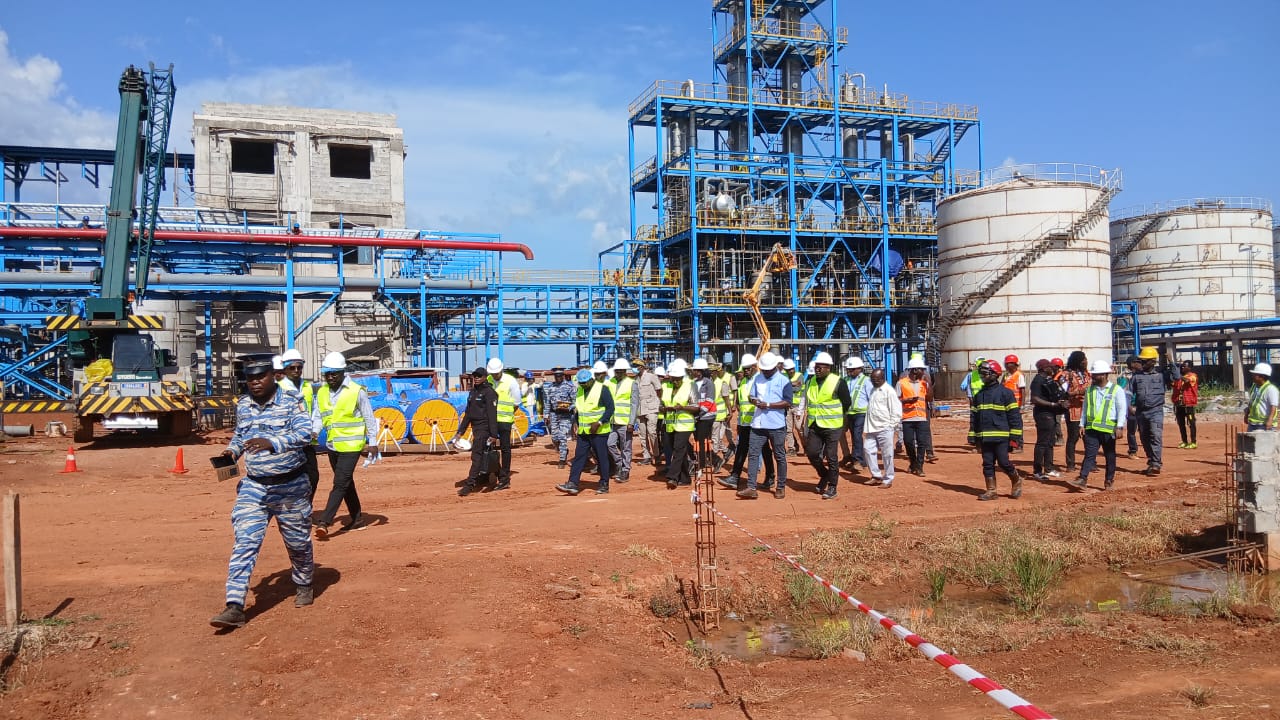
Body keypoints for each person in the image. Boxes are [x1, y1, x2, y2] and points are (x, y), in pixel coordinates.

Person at [210, 357, 316, 629]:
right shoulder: (244, 405)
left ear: (273, 376)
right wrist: (232, 452)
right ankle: (234, 606)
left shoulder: (292, 401)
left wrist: (273, 442)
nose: (255, 382)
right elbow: (241, 435)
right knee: (245, 541)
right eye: (250, 378)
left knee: (298, 544)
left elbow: (307, 433)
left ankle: (304, 583)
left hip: (289, 487)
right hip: (254, 487)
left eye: (260, 377)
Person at [311, 352, 377, 539]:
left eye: (334, 373)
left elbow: (369, 418)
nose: (330, 377)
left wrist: (372, 442)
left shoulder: (357, 391)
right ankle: (357, 519)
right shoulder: (322, 392)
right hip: (333, 445)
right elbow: (318, 417)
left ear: (343, 372)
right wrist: (314, 433)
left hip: (352, 445)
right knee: (346, 483)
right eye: (327, 373)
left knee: (339, 483)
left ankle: (325, 522)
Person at [738, 352, 793, 499]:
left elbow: (788, 402)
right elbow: (751, 396)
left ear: (775, 367)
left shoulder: (783, 381)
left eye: (768, 369)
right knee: (754, 454)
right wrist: (754, 401)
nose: (766, 372)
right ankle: (751, 487)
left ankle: (780, 487)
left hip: (776, 424)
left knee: (779, 455)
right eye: (764, 370)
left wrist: (768, 405)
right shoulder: (758, 379)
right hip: (758, 424)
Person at [719, 354, 776, 491]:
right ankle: (735, 476)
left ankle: (769, 477)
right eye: (744, 369)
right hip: (744, 422)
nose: (745, 371)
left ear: (755, 367)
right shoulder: (743, 381)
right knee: (742, 449)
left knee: (764, 449)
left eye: (748, 368)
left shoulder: (761, 380)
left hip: (759, 422)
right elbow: (741, 402)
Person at [1069, 360, 1127, 491]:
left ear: (1105, 375)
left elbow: (1121, 409)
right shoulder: (1089, 391)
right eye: (1093, 374)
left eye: (1097, 374)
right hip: (1091, 429)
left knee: (1110, 455)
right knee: (1089, 454)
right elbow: (1085, 408)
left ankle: (1109, 480)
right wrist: (1082, 424)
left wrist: (1119, 426)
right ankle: (1082, 478)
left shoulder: (1116, 390)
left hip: (1108, 429)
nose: (1094, 377)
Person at [556, 369, 615, 495]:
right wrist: (576, 423)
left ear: (590, 380)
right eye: (580, 383)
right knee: (579, 456)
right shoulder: (580, 391)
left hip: (599, 431)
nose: (582, 385)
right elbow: (580, 410)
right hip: (584, 431)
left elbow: (610, 408)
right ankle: (572, 483)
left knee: (601, 457)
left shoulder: (602, 389)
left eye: (584, 383)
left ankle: (604, 484)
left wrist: (599, 423)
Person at [970, 360, 1024, 501]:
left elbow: (1014, 417)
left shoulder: (1005, 393)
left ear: (995, 374)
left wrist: (1015, 438)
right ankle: (991, 491)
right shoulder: (978, 395)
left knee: (1003, 462)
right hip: (985, 437)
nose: (982, 376)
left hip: (1002, 436)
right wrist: (973, 436)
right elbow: (974, 418)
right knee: (987, 463)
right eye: (981, 374)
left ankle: (1016, 480)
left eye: (985, 373)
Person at [802, 352, 849, 499]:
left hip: (832, 426)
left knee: (831, 456)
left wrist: (840, 420)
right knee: (812, 453)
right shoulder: (810, 382)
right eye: (816, 366)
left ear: (828, 368)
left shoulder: (838, 382)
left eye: (820, 367)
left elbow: (846, 402)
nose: (817, 369)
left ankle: (832, 487)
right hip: (815, 424)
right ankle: (825, 475)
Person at [278, 348, 321, 501]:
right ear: (285, 368)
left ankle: (305, 508)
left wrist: (315, 429)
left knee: (313, 477)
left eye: (299, 367)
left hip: (307, 442)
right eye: (292, 367)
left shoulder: (308, 387)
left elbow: (315, 410)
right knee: (289, 479)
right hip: (289, 443)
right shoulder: (278, 388)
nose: (296, 370)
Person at [1130, 347, 1179, 476]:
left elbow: (1177, 378)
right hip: (1141, 412)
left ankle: (1156, 464)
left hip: (1156, 411)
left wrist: (1171, 363)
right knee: (1144, 438)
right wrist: (1130, 406)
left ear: (1152, 362)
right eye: (1141, 361)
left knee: (1155, 437)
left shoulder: (1162, 375)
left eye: (1144, 361)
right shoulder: (1136, 377)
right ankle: (1152, 462)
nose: (1142, 363)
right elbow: (1129, 393)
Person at [454, 367, 501, 496]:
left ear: (485, 377)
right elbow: (468, 414)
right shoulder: (473, 392)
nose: (476, 378)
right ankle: (498, 475)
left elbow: (492, 414)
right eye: (475, 376)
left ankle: (470, 484)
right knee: (486, 454)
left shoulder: (489, 393)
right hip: (475, 427)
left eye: (479, 376)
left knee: (477, 456)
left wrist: (493, 434)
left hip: (484, 427)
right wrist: (460, 432)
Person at [661, 360, 699, 489]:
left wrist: (682, 407)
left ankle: (673, 477)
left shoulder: (691, 386)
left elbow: (696, 407)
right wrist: (663, 409)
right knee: (677, 450)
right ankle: (685, 478)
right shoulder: (667, 386)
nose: (675, 381)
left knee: (678, 448)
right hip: (670, 423)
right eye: (673, 379)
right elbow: (661, 403)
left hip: (685, 424)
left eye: (678, 379)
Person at [862, 369, 902, 488]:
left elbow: (896, 410)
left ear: (882, 378)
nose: (873, 382)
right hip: (871, 427)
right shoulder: (873, 390)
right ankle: (876, 475)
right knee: (868, 450)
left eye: (876, 380)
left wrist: (891, 425)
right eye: (872, 380)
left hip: (885, 427)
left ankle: (888, 478)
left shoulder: (889, 391)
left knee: (887, 454)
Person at [1029, 359, 1067, 480]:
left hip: (1050, 413)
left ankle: (1049, 468)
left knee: (1050, 442)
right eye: (1050, 367)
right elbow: (1034, 399)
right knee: (1042, 442)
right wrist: (1052, 404)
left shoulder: (1048, 380)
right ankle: (1037, 471)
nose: (1052, 368)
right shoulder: (1037, 380)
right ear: (1044, 368)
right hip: (1043, 414)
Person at [488, 358, 522, 488]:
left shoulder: (510, 381)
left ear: (501, 370)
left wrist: (507, 414)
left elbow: (516, 403)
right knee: (489, 446)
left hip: (505, 421)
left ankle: (504, 477)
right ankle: (493, 471)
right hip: (491, 421)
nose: (494, 375)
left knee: (505, 449)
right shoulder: (489, 381)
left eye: (496, 373)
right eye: (492, 373)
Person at [897, 357, 933, 476]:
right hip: (908, 417)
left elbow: (930, 398)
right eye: (922, 370)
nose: (924, 372)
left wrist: (929, 384)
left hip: (922, 417)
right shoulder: (901, 383)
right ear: (915, 370)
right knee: (908, 442)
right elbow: (896, 400)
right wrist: (907, 400)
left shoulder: (924, 383)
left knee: (922, 442)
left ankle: (919, 466)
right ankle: (913, 463)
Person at [606, 359, 638, 483]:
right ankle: (619, 463)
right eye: (616, 371)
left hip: (625, 421)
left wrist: (631, 422)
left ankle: (625, 470)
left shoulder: (631, 383)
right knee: (609, 444)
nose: (618, 373)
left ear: (625, 371)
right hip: (612, 421)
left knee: (626, 447)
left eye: (620, 371)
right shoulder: (610, 382)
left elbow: (634, 404)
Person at [839, 357, 870, 470]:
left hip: (861, 412)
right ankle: (851, 457)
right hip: (848, 412)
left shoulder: (866, 380)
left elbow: (871, 397)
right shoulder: (845, 380)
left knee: (857, 435)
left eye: (852, 369)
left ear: (860, 369)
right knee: (845, 434)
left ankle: (858, 460)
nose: (849, 371)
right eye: (848, 369)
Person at [1061, 351, 1090, 472]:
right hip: (1074, 410)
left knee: (1089, 438)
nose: (1086, 362)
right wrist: (1077, 392)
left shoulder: (1087, 374)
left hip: (1087, 410)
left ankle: (1090, 463)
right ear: (1077, 361)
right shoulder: (1067, 375)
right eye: (1083, 359)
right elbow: (1063, 392)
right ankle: (1070, 464)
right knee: (1073, 437)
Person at [543, 367, 576, 469]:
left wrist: (569, 408)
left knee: (562, 436)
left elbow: (575, 401)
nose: (558, 377)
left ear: (563, 375)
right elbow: (547, 402)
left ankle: (562, 459)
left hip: (566, 415)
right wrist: (546, 415)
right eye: (556, 376)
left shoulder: (570, 386)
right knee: (554, 437)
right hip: (554, 414)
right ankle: (562, 450)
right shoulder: (551, 387)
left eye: (560, 376)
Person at [634, 359, 662, 466]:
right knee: (642, 433)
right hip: (640, 408)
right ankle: (646, 455)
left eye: (636, 366)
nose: (634, 367)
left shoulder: (651, 377)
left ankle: (656, 454)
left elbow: (659, 389)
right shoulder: (636, 379)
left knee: (652, 432)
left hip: (651, 407)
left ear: (641, 367)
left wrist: (658, 403)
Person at [711, 359, 736, 469]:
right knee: (715, 437)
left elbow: (729, 396)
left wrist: (730, 409)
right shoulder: (708, 382)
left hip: (721, 413)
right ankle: (726, 451)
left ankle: (715, 459)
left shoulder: (725, 380)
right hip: (712, 414)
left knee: (716, 438)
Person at [1119, 356, 1143, 460]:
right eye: (1138, 362)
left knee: (1144, 429)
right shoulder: (1124, 376)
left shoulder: (1140, 374)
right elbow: (1123, 393)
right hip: (1132, 406)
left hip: (1142, 405)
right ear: (1132, 363)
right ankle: (1132, 451)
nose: (1140, 364)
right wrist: (1129, 407)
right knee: (1132, 430)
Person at [1172, 360, 1199, 449]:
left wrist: (1178, 375)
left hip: (1188, 404)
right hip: (1179, 404)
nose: (1182, 367)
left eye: (1185, 366)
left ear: (1189, 367)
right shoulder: (1178, 379)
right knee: (1181, 423)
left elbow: (1187, 381)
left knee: (1191, 423)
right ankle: (1184, 441)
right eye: (1182, 366)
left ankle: (1193, 442)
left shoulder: (1192, 376)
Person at [1245, 363, 1279, 431]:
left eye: (1255, 374)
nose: (1253, 376)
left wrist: (1270, 420)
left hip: (1265, 425)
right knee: (1250, 441)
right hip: (1253, 424)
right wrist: (1246, 414)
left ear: (1262, 376)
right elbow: (1252, 402)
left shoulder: (1271, 389)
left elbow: (1274, 406)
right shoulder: (1254, 386)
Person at [782, 358, 804, 455]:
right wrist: (792, 384)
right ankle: (792, 448)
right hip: (788, 406)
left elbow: (798, 388)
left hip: (798, 406)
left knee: (799, 428)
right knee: (788, 429)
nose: (791, 371)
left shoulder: (799, 375)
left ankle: (806, 445)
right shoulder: (784, 376)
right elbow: (781, 389)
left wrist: (787, 385)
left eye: (792, 369)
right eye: (789, 369)